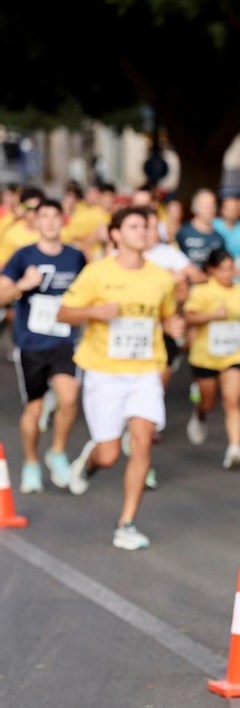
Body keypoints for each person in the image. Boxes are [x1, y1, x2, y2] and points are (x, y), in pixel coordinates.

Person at [57, 206, 184, 550]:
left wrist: (173, 325)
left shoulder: (160, 277)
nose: (142, 232)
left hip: (145, 371)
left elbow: (168, 316)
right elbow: (63, 312)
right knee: (110, 454)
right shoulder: (97, 274)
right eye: (134, 226)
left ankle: (126, 522)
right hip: (105, 373)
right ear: (115, 234)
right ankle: (91, 460)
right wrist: (93, 312)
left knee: (142, 442)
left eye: (146, 226)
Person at [0, 197, 88, 492]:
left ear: (63, 220)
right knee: (35, 409)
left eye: (55, 216)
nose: (49, 221)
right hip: (31, 342)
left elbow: (88, 290)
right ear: (36, 222)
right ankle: (31, 463)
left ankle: (57, 452)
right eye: (44, 216)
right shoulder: (23, 256)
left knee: (68, 398)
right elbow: (1, 294)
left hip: (64, 340)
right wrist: (22, 285)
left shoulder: (75, 257)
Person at [181, 247, 240, 467]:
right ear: (211, 270)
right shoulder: (202, 291)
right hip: (206, 356)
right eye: (222, 269)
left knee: (232, 400)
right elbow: (188, 318)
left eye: (230, 269)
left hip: (233, 354)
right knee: (208, 400)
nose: (227, 274)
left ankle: (235, 448)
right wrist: (212, 315)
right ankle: (200, 414)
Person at [176, 189, 226, 272]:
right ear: (194, 207)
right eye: (205, 205)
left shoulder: (219, 239)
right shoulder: (182, 234)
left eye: (212, 204)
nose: (210, 209)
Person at [0, 187, 42, 269]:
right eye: (30, 208)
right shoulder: (13, 231)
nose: (34, 213)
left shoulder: (49, 231)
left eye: (38, 208)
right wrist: (15, 215)